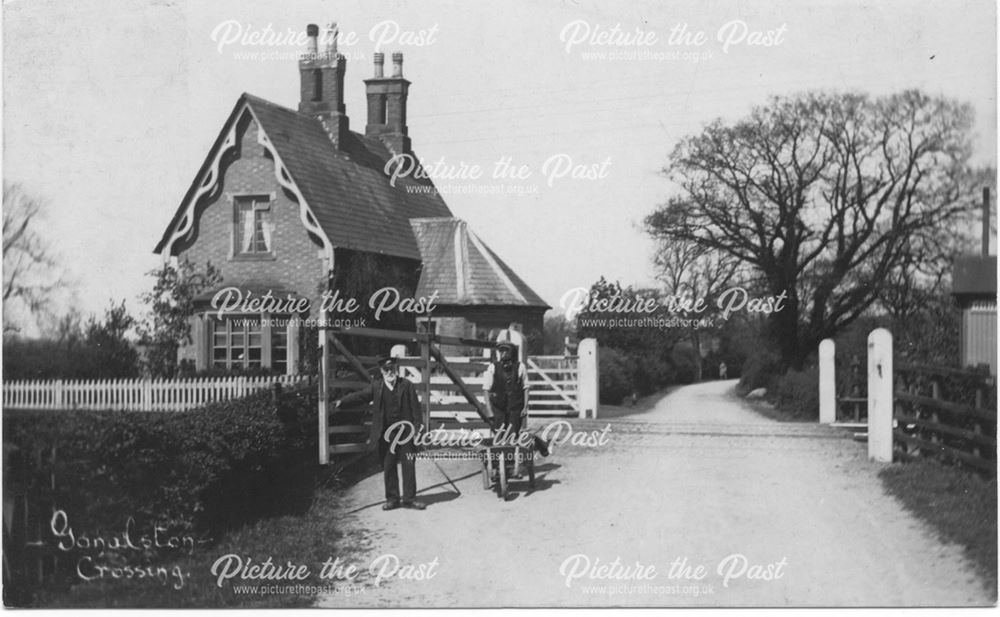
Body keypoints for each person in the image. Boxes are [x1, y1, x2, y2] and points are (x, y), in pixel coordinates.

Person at [335, 356, 426, 511]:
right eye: (386, 370)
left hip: (406, 433)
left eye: (392, 369)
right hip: (386, 434)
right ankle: (392, 499)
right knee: (388, 464)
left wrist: (418, 430)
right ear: (382, 371)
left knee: (408, 464)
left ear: (396, 370)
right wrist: (342, 402)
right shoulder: (377, 387)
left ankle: (410, 499)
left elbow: (416, 410)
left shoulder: (407, 385)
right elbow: (361, 396)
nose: (390, 372)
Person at [484, 342, 550, 463]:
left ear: (512, 353)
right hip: (498, 408)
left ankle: (514, 464)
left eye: (506, 351)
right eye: (501, 351)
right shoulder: (493, 367)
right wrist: (489, 410)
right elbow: (486, 390)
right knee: (499, 437)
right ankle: (499, 465)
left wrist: (525, 406)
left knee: (514, 436)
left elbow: (526, 388)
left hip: (515, 407)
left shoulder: (520, 367)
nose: (503, 354)